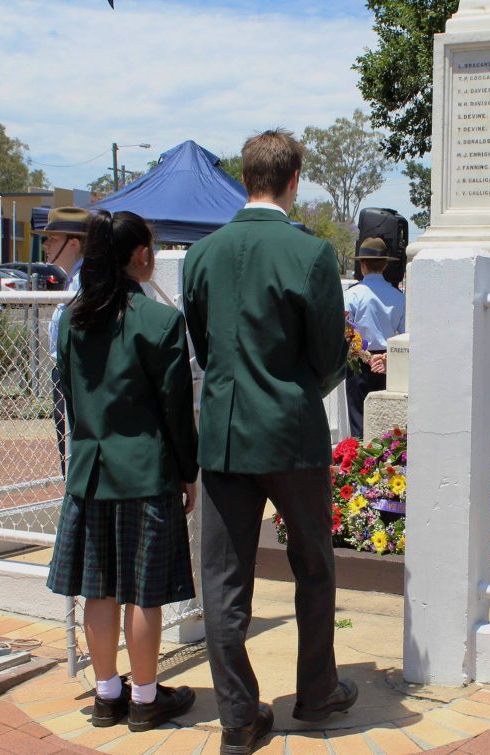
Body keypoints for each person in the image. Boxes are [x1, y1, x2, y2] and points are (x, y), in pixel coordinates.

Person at [183, 129, 355, 755]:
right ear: (293, 180)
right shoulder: (309, 255)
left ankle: (238, 717)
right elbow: (330, 354)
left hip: (225, 437)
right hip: (291, 433)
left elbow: (204, 346)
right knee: (314, 566)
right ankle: (316, 693)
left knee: (225, 582)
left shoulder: (203, 255)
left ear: (244, 177)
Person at [46, 210, 199, 729]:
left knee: (100, 587)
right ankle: (146, 699)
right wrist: (188, 471)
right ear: (140, 255)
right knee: (143, 591)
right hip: (146, 472)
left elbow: (66, 392)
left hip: (89, 472)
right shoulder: (160, 322)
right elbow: (176, 410)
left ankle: (107, 694)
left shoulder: (71, 320)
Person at [30, 207, 88, 477]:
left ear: (73, 243)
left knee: (73, 455)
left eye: (53, 239)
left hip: (74, 374)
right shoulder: (75, 279)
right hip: (66, 372)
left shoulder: (82, 281)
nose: (46, 245)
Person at [344, 237, 406, 439]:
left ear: (362, 264)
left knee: (358, 421)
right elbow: (406, 335)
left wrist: (365, 356)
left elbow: (343, 330)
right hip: (388, 362)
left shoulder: (352, 295)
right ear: (385, 264)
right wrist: (387, 357)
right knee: (385, 424)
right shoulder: (399, 297)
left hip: (358, 362)